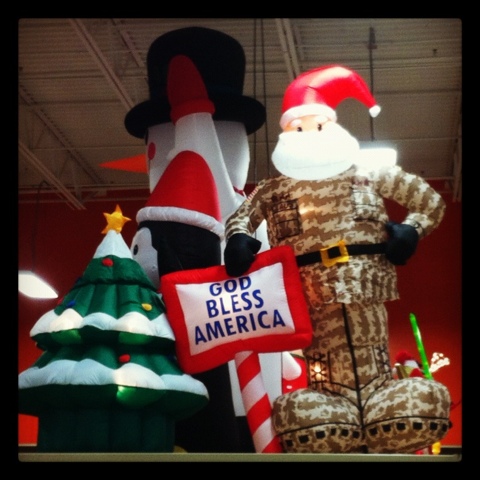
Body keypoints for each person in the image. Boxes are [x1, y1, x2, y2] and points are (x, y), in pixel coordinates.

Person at [223, 64, 451, 453]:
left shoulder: (368, 173)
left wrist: (412, 230)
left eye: (318, 125)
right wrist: (238, 239)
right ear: (286, 134)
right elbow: (240, 217)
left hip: (366, 284)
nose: (309, 134)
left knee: (373, 348)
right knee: (321, 359)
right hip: (309, 293)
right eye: (298, 128)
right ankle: (330, 408)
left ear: (333, 126)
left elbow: (428, 201)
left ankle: (382, 399)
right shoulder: (275, 190)